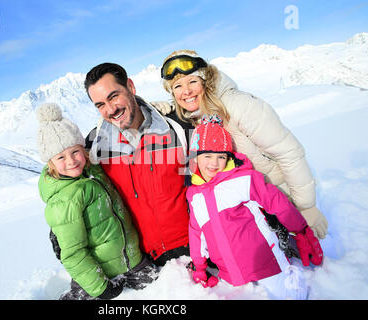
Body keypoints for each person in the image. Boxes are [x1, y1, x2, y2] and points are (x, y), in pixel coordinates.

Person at [157, 50, 328, 239]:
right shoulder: (195, 118)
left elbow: (288, 153)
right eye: (177, 86)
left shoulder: (238, 105)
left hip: (284, 197)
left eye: (192, 82)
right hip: (255, 207)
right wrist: (156, 110)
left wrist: (306, 206)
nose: (186, 91)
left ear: (205, 81)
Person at [187, 115, 323, 300]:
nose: (214, 163)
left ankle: (294, 277)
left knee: (289, 296)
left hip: (266, 262)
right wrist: (199, 267)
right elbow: (197, 233)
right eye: (207, 156)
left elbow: (279, 204)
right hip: (232, 273)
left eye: (221, 156)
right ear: (196, 157)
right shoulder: (195, 195)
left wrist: (301, 230)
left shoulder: (244, 180)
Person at [36, 103, 157, 300]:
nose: (71, 161)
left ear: (83, 150)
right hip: (99, 272)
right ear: (50, 164)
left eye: (75, 152)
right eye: (60, 157)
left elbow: (110, 129)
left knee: (162, 286)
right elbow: (73, 253)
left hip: (131, 260)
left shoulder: (94, 171)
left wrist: (149, 112)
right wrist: (99, 287)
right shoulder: (65, 200)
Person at [83, 63, 190, 266]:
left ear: (131, 87)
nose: (110, 109)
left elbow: (215, 173)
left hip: (194, 253)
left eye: (114, 96)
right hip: (144, 265)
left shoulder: (176, 127)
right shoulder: (95, 145)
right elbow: (71, 183)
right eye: (100, 105)